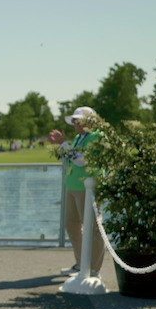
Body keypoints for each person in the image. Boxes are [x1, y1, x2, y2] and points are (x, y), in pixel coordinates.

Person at [48, 107, 104, 277]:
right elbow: (70, 158)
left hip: (88, 188)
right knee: (71, 224)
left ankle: (93, 269)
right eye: (74, 121)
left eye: (78, 121)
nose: (75, 124)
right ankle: (81, 263)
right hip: (73, 186)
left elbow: (82, 161)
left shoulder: (97, 137)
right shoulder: (79, 138)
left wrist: (64, 144)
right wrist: (61, 146)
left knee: (92, 228)